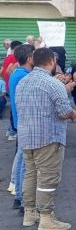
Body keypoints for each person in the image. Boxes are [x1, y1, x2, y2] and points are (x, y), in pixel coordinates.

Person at [16, 47, 76, 230]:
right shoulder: (53, 84)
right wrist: (74, 113)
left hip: (26, 137)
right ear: (52, 61)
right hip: (48, 138)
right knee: (48, 179)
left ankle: (29, 213)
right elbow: (64, 112)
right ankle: (46, 218)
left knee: (31, 174)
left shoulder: (22, 82)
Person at [10, 44, 34, 212]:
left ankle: (19, 196)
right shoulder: (23, 76)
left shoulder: (18, 74)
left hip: (22, 123)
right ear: (29, 58)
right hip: (26, 123)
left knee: (21, 160)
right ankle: (22, 198)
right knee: (25, 164)